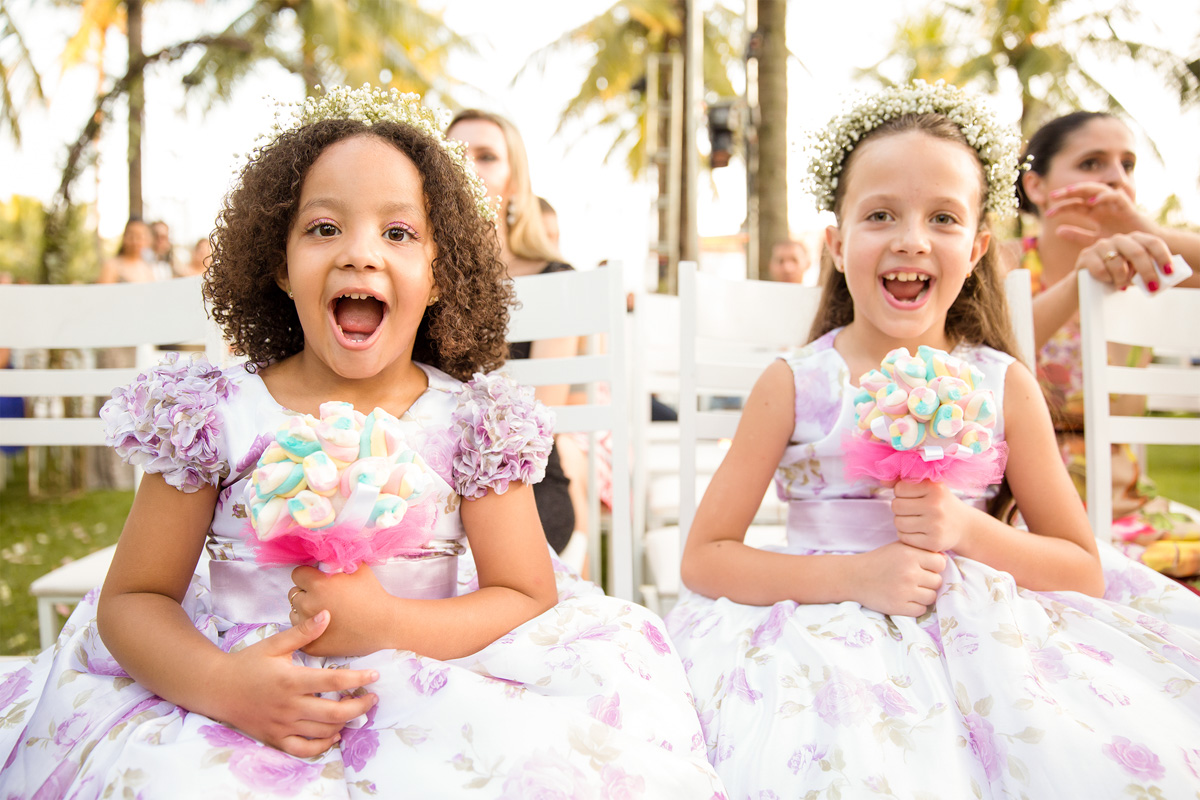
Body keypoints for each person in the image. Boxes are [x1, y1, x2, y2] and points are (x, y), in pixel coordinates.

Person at [0, 85, 725, 798]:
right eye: (324, 228)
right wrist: (226, 686)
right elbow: (133, 598)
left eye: (398, 232)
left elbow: (524, 590)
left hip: (436, 678)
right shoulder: (214, 413)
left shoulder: (473, 421)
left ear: (439, 274)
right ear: (280, 266)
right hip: (235, 692)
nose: (359, 254)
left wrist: (391, 624)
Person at [665, 81, 1200, 798]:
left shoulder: (1002, 383)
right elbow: (705, 558)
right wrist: (854, 579)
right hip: (820, 631)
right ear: (838, 240)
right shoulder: (796, 381)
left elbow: (1080, 568)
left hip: (988, 634)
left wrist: (964, 531)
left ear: (978, 246)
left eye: (943, 217)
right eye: (880, 214)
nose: (911, 238)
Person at [1014, 110, 1200, 584]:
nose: (1116, 179)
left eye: (1128, 165)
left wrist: (1152, 232)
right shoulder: (1002, 262)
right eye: (1093, 163)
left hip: (1129, 509)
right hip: (1023, 512)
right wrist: (1079, 281)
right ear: (1036, 187)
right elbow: (987, 356)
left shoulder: (1153, 265)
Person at [446, 109, 581, 556]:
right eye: (455, 153)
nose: (468, 166)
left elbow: (544, 414)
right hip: (429, 479)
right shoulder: (421, 274)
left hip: (525, 486)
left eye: (486, 156)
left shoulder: (554, 277)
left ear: (514, 179)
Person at [97, 218, 156, 285]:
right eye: (131, 236)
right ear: (124, 237)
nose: (135, 241)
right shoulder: (111, 266)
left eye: (139, 237)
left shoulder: (147, 269)